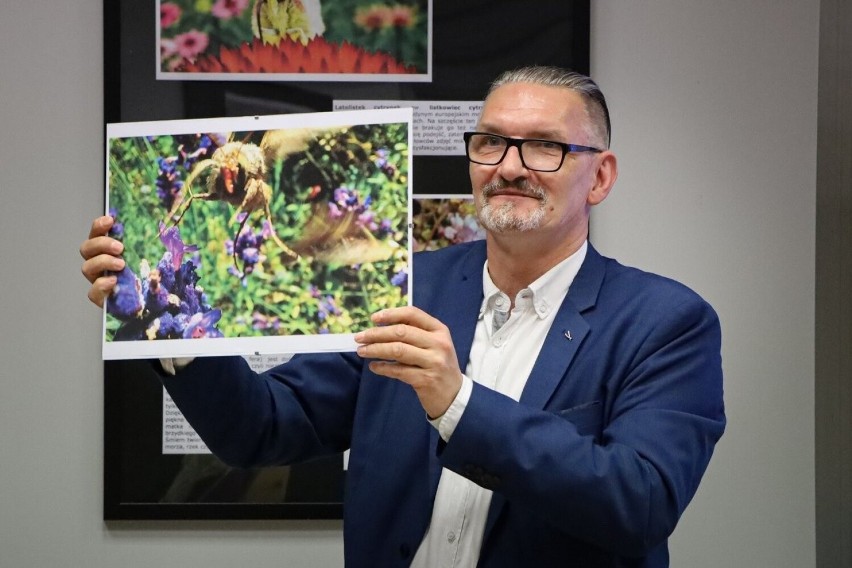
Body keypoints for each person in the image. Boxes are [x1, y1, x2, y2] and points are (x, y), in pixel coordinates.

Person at [81, 66, 725, 567]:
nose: (508, 166)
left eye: (545, 148)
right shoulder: (407, 283)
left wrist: (459, 405)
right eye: (492, 143)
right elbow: (266, 429)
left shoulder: (666, 322)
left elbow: (639, 504)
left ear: (601, 177)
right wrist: (171, 324)